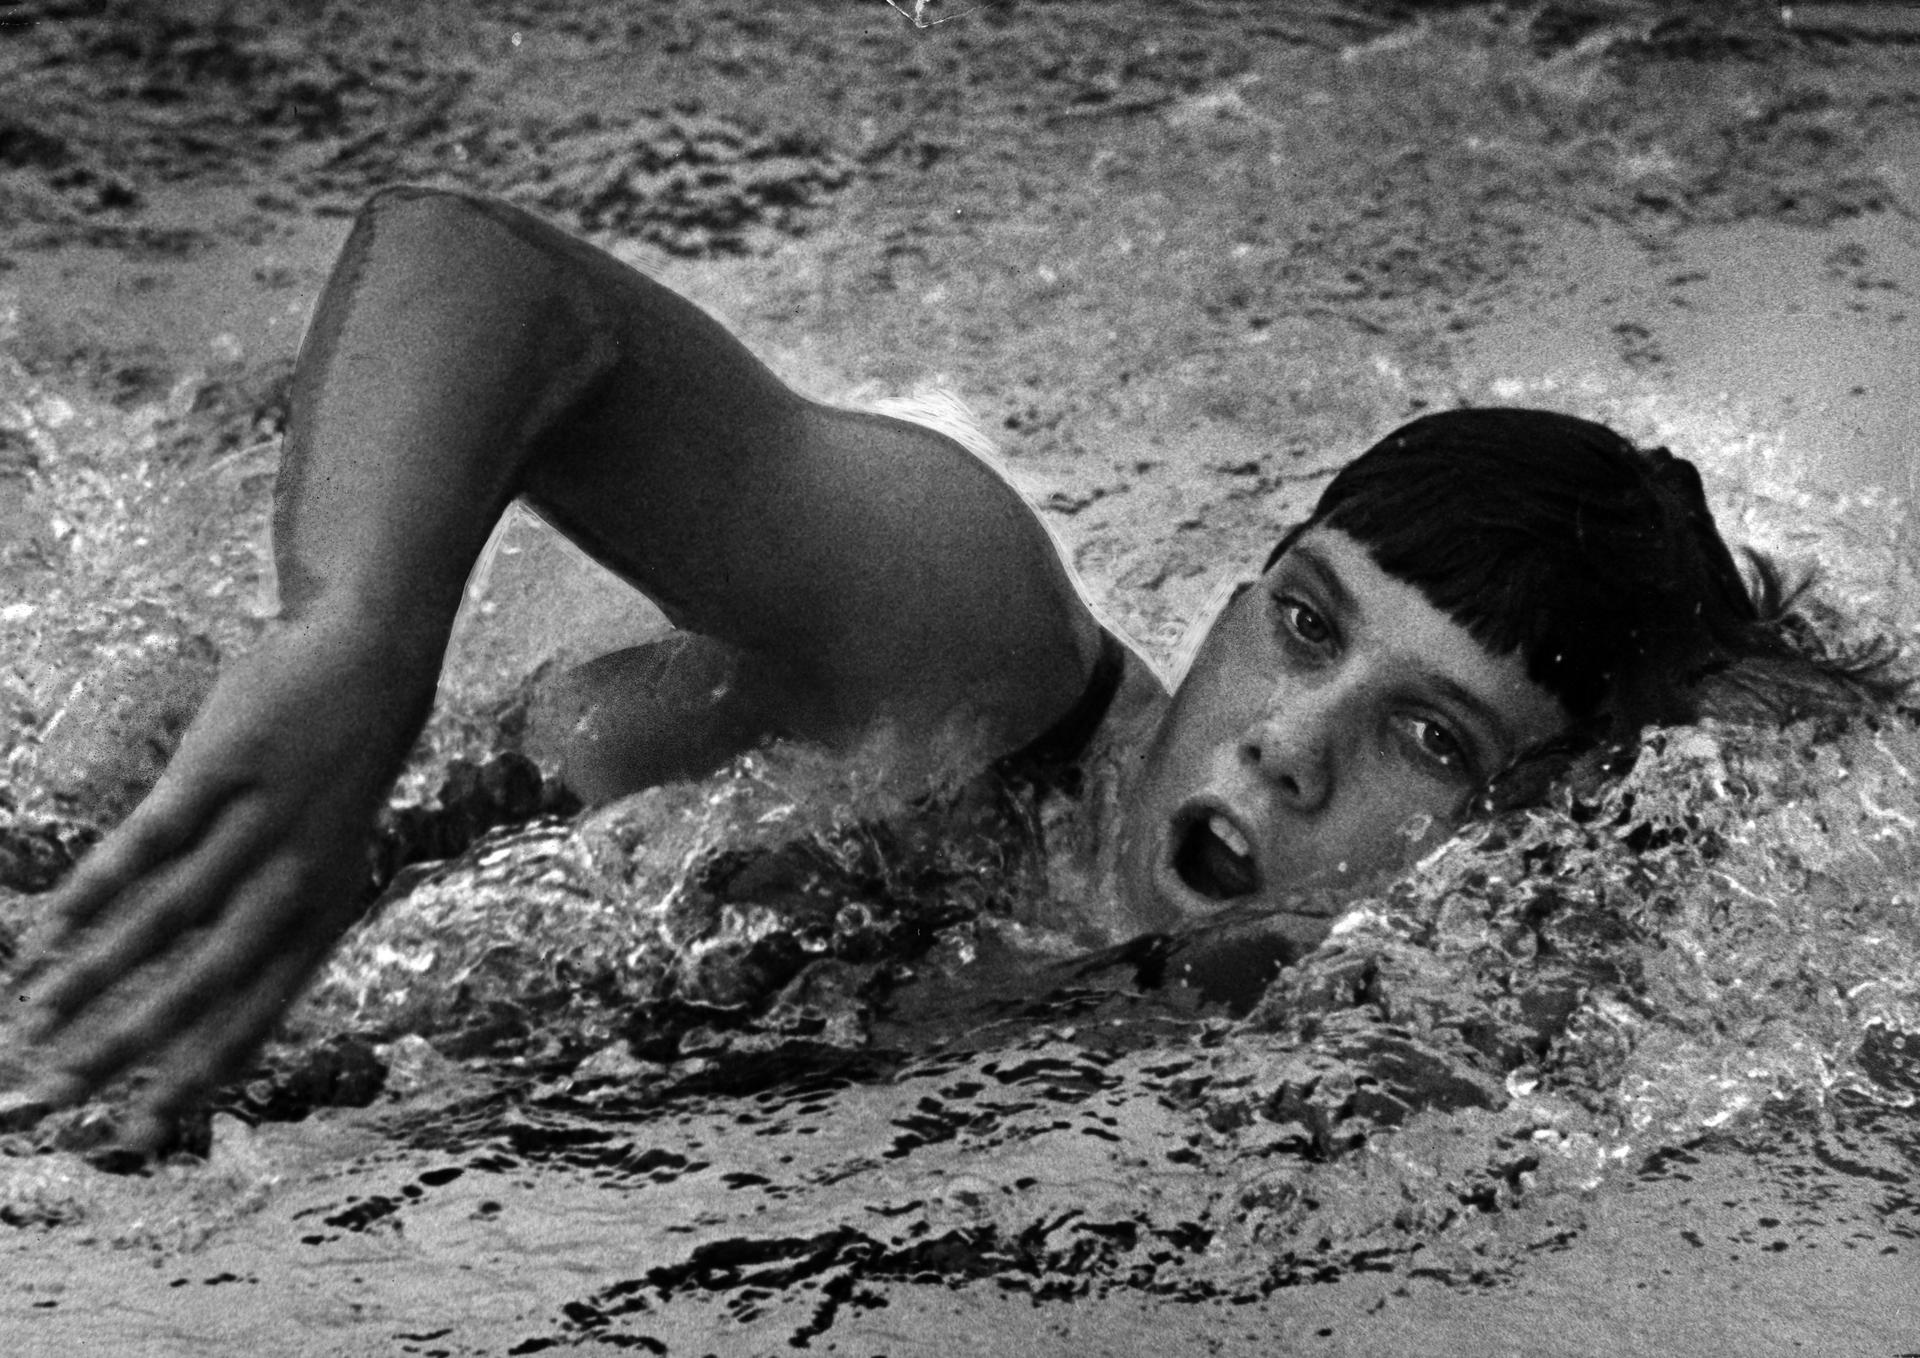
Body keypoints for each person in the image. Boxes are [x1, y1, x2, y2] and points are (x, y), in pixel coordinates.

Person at [0, 186, 1899, 1152]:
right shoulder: (976, 657)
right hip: (136, 864)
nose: (1292, 748)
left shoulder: (1408, 1053)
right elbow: (480, 273)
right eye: (1306, 623)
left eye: (1429, 738)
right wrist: (353, 630)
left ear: (1531, 835)